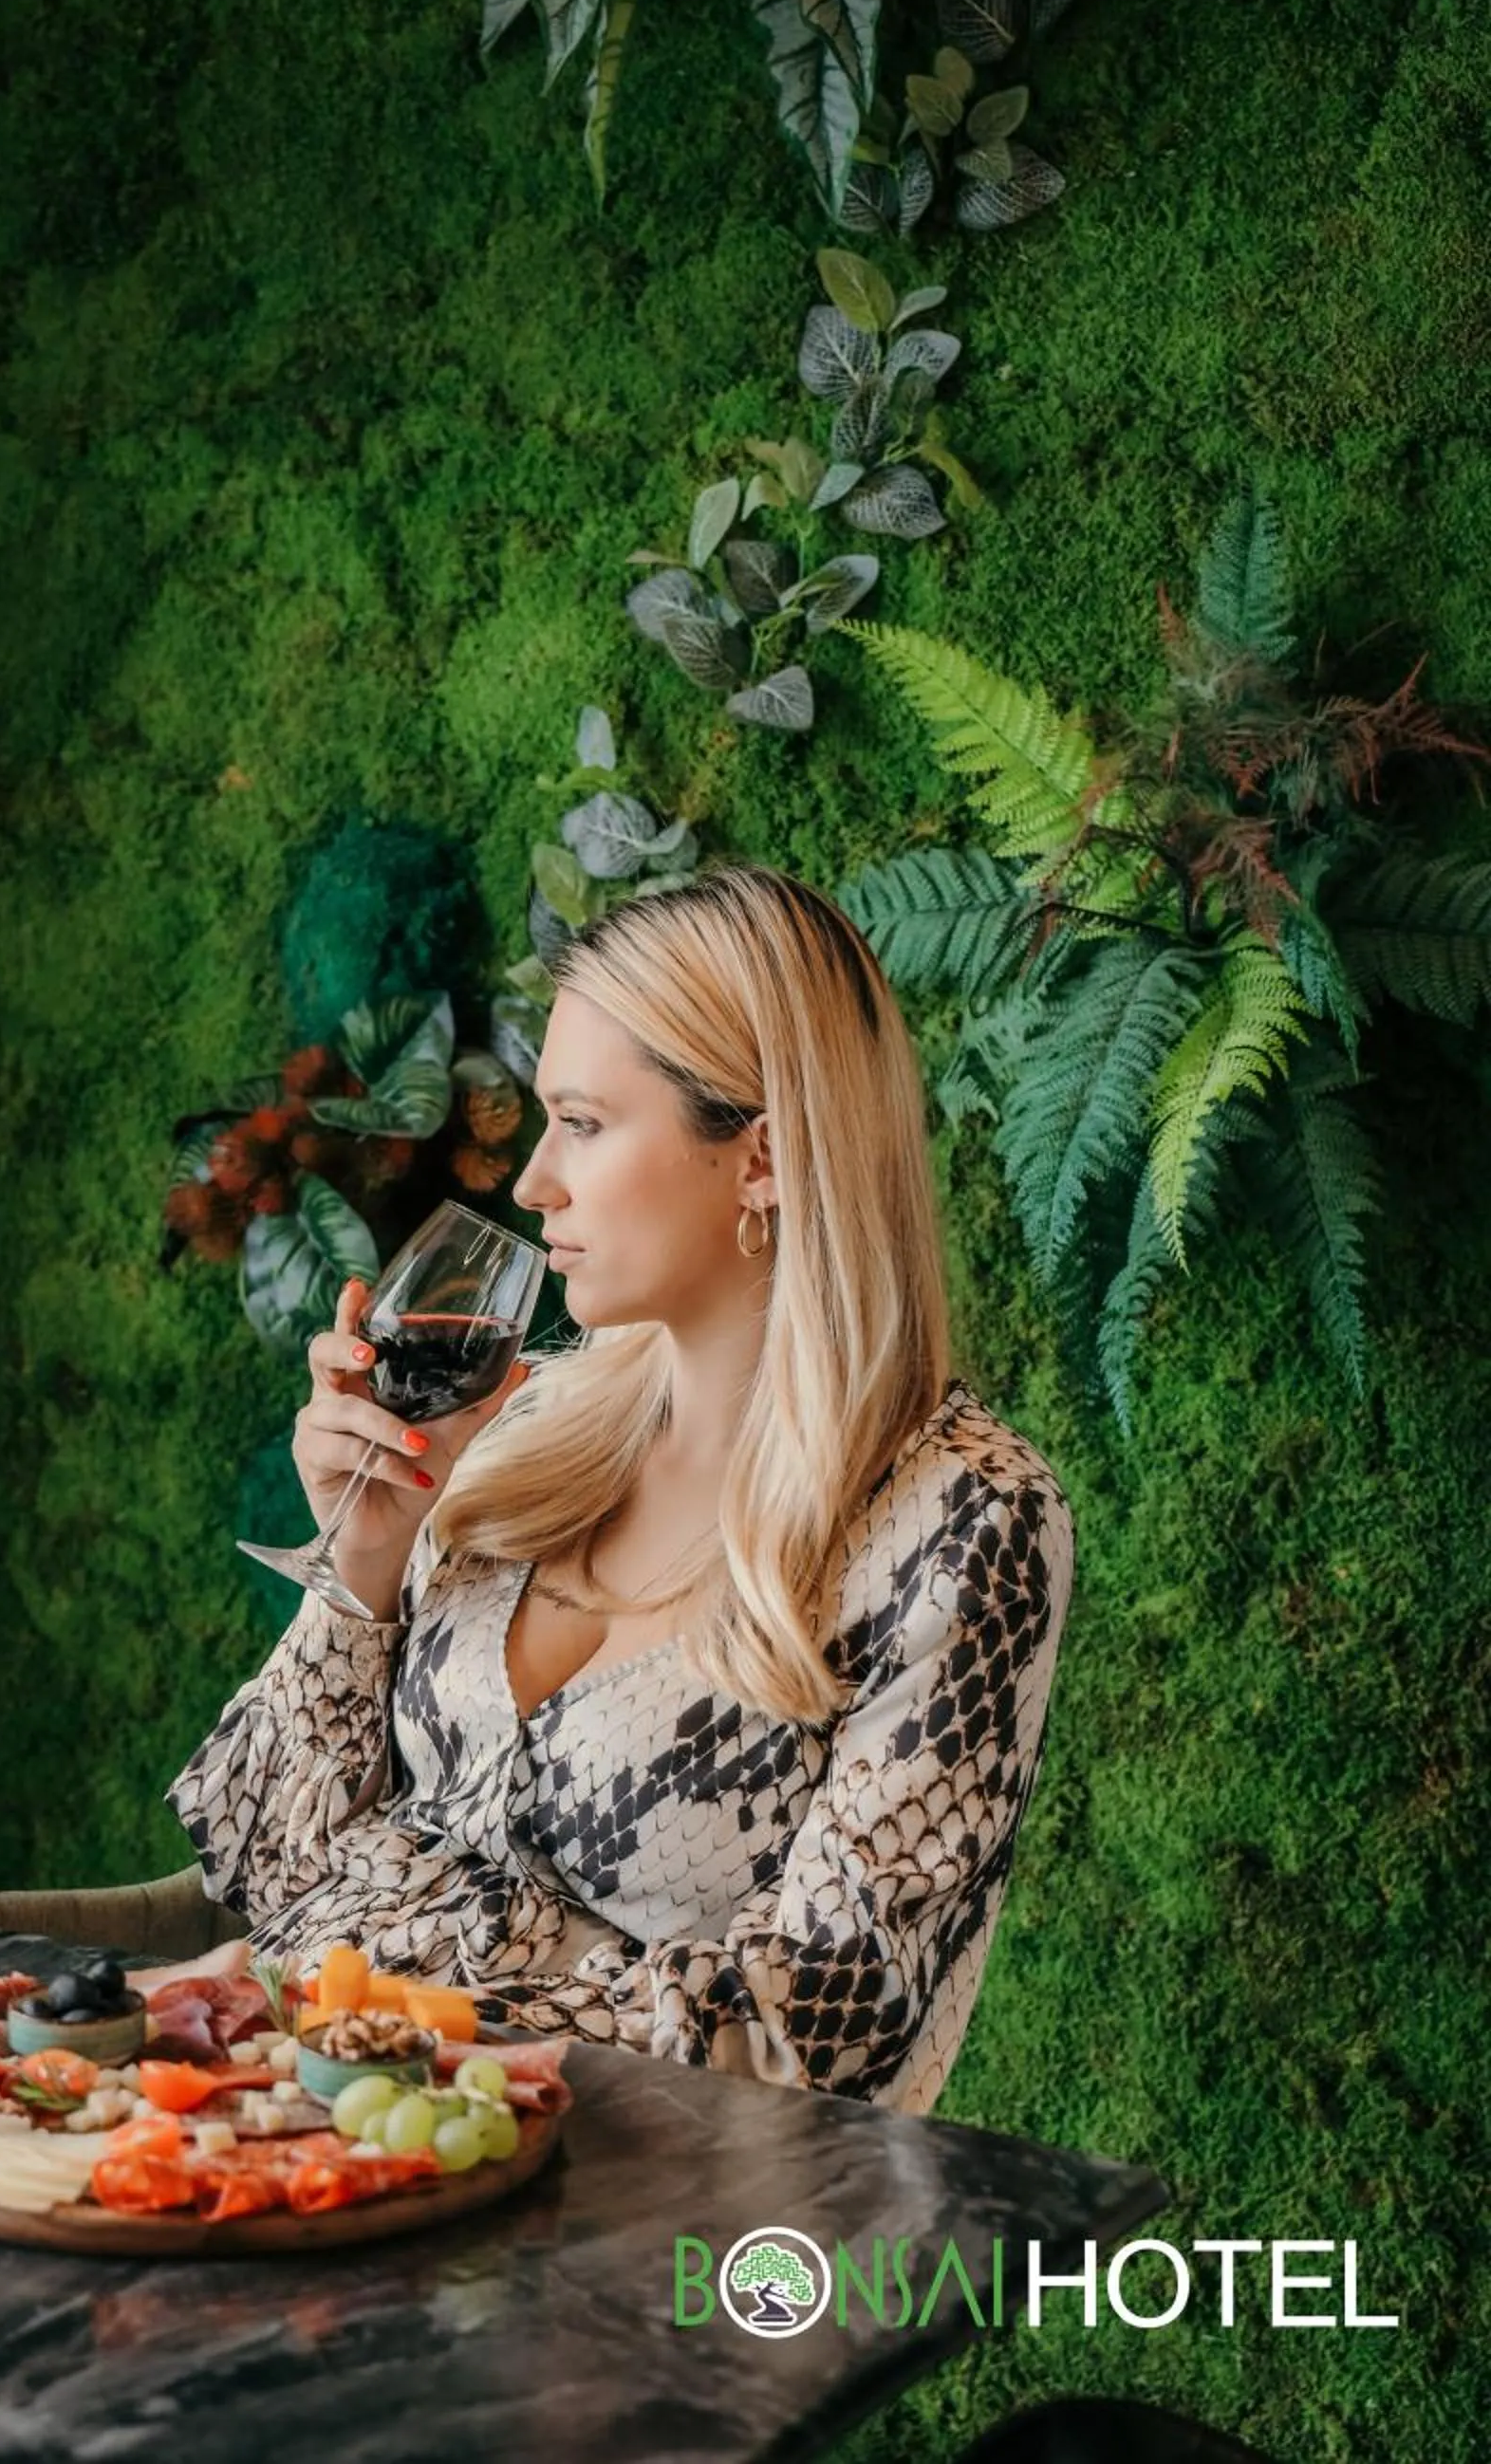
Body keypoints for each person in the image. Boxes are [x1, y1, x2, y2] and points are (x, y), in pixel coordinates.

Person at [158, 863, 1074, 2109]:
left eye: (582, 1125)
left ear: (762, 1156)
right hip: (293, 2119)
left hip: (609, 2218)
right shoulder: (526, 1414)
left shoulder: (963, 1524)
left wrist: (394, 2024)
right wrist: (362, 1564)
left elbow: (822, 2020)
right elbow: (259, 1855)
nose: (532, 1184)